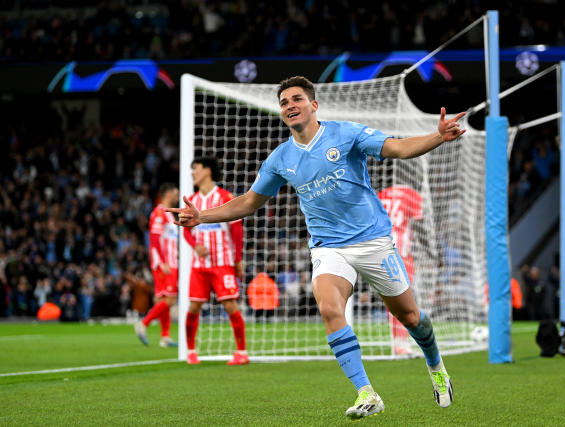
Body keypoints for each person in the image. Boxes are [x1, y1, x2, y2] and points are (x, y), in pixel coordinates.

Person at [168, 76, 465, 419]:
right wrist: (200, 216)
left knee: (411, 318)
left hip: (373, 241)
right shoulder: (281, 158)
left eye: (296, 99)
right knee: (328, 308)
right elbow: (249, 202)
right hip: (328, 247)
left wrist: (437, 136)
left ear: (314, 105)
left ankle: (436, 364)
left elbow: (397, 148)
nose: (290, 106)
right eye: (284, 102)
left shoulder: (346, 133)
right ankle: (366, 392)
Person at [182, 157, 248, 366]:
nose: (193, 173)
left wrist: (238, 260)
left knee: (229, 304)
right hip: (199, 266)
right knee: (193, 306)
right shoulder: (192, 201)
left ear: (207, 171)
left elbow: (236, 231)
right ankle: (191, 351)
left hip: (223, 262)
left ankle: (241, 352)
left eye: (196, 169)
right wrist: (195, 245)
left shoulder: (225, 197)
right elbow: (185, 231)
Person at [377, 184, 422, 355]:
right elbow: (419, 224)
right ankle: (400, 342)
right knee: (404, 298)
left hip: (381, 249)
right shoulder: (411, 194)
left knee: (393, 298)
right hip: (401, 253)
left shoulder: (382, 194)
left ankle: (400, 340)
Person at [135, 183, 180, 348]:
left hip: (170, 261)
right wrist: (162, 261)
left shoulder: (168, 214)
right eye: (176, 193)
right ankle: (143, 323)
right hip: (165, 263)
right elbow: (154, 238)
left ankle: (165, 336)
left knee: (163, 299)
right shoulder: (159, 212)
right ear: (167, 194)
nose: (178, 196)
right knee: (170, 299)